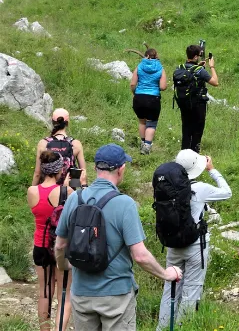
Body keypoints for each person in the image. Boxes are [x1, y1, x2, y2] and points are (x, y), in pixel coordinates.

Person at [54, 144, 182, 331]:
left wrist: (62, 265)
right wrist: (166, 274)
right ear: (121, 169)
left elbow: (60, 246)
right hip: (116, 297)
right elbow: (140, 256)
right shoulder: (124, 203)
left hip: (81, 294)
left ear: (96, 168)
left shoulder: (75, 198)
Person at [156, 150, 231, 330]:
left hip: (173, 245)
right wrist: (212, 170)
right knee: (191, 290)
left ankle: (163, 327)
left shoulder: (166, 188)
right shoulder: (200, 188)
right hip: (195, 245)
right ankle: (182, 327)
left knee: (171, 288)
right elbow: (227, 192)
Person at [27, 150, 74, 331]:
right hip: (60, 247)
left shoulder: (32, 191)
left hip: (40, 245)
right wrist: (69, 187)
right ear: (60, 170)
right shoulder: (66, 191)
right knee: (65, 295)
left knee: (44, 293)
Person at [175, 45, 218, 153]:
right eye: (199, 55)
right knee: (197, 131)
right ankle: (194, 155)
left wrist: (198, 66)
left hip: (184, 104)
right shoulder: (200, 71)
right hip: (198, 105)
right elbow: (215, 82)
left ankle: (184, 154)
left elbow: (190, 73)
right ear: (195, 57)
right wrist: (212, 67)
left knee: (186, 129)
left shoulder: (180, 68)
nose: (200, 57)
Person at [33, 108, 87, 189]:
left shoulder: (43, 143)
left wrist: (33, 191)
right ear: (67, 123)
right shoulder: (75, 144)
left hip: (47, 191)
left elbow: (37, 173)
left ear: (52, 121)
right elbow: (83, 172)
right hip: (67, 191)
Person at [130, 48, 168, 155]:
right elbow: (163, 86)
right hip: (153, 99)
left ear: (146, 56)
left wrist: (135, 93)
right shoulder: (161, 68)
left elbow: (133, 84)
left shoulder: (139, 66)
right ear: (156, 56)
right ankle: (147, 146)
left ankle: (142, 143)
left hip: (139, 98)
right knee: (151, 124)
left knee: (142, 121)